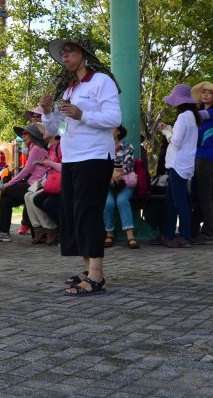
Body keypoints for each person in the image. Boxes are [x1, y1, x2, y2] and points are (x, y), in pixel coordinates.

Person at [38, 36, 121, 297]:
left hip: (95, 156)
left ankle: (97, 277)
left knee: (88, 212)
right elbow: (59, 130)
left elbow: (114, 118)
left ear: (84, 54)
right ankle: (89, 270)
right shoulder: (69, 89)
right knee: (73, 214)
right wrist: (47, 112)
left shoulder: (101, 81)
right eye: (62, 52)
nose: (65, 55)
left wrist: (82, 114)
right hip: (72, 158)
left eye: (70, 50)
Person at [151, 84, 202, 248]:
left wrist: (167, 133)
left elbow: (177, 142)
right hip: (185, 163)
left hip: (178, 164)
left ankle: (184, 236)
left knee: (179, 201)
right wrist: (170, 130)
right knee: (172, 200)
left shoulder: (183, 117)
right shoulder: (192, 116)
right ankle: (168, 234)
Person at [0, 124, 49, 242]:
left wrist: (9, 183)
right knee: (7, 200)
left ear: (32, 135)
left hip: (35, 185)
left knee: (5, 191)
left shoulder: (36, 149)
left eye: (25, 133)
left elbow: (26, 171)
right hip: (32, 183)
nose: (23, 136)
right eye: (22, 134)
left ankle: (4, 232)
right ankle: (4, 232)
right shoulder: (34, 148)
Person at [191, 81, 213, 245]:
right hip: (198, 157)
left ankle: (210, 232)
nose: (205, 95)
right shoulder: (198, 113)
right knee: (198, 196)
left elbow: (196, 116)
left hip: (207, 158)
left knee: (205, 197)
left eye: (209, 93)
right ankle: (198, 230)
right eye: (203, 92)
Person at [103, 126, 139, 249]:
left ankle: (130, 236)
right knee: (108, 203)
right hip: (107, 184)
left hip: (124, 183)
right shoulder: (102, 147)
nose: (109, 131)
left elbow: (129, 166)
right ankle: (109, 233)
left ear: (118, 131)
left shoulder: (127, 146)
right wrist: (112, 173)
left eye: (112, 128)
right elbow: (100, 165)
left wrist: (116, 173)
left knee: (122, 201)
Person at [25, 132, 62, 245]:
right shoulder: (51, 148)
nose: (43, 132)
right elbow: (52, 168)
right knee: (30, 197)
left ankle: (53, 228)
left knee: (41, 201)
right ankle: (40, 227)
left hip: (62, 184)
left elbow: (63, 167)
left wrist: (49, 163)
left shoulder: (60, 146)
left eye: (46, 129)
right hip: (51, 182)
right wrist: (45, 179)